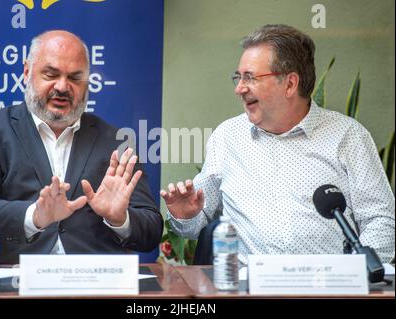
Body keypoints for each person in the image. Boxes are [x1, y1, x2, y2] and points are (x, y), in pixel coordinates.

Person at [160, 24, 395, 265]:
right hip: (248, 290)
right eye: (238, 77)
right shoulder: (227, 137)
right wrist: (186, 214)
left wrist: (356, 275)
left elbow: (381, 221)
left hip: (329, 288)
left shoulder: (348, 137)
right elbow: (193, 225)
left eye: (250, 77)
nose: (239, 88)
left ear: (290, 83)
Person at [0, 30, 163, 264]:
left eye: (75, 78)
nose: (62, 87)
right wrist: (35, 216)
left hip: (94, 283)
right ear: (27, 72)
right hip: (14, 279)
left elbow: (151, 232)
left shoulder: (117, 141)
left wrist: (120, 219)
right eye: (51, 74)